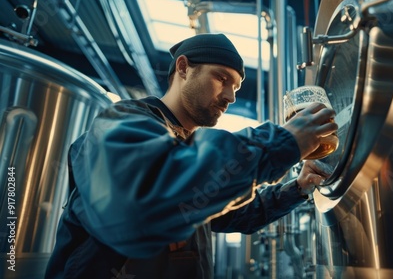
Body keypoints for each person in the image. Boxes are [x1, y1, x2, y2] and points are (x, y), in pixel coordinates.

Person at [45, 33, 337, 279]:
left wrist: (297, 188)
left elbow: (234, 214)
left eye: (236, 87)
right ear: (183, 67)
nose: (231, 96)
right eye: (222, 78)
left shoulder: (186, 146)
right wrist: (279, 142)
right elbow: (145, 206)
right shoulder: (123, 123)